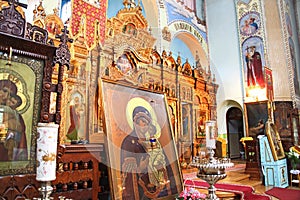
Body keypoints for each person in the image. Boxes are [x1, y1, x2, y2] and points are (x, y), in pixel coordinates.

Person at [120, 106, 173, 200]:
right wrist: (141, 167)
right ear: (135, 122)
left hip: (157, 182)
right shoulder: (129, 141)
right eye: (143, 121)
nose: (145, 124)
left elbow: (164, 162)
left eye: (147, 122)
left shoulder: (152, 141)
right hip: (140, 187)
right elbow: (128, 172)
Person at [0, 80, 27, 161]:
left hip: (5, 152)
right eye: (3, 90)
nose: (2, 94)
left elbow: (21, 139)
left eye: (6, 92)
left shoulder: (16, 116)